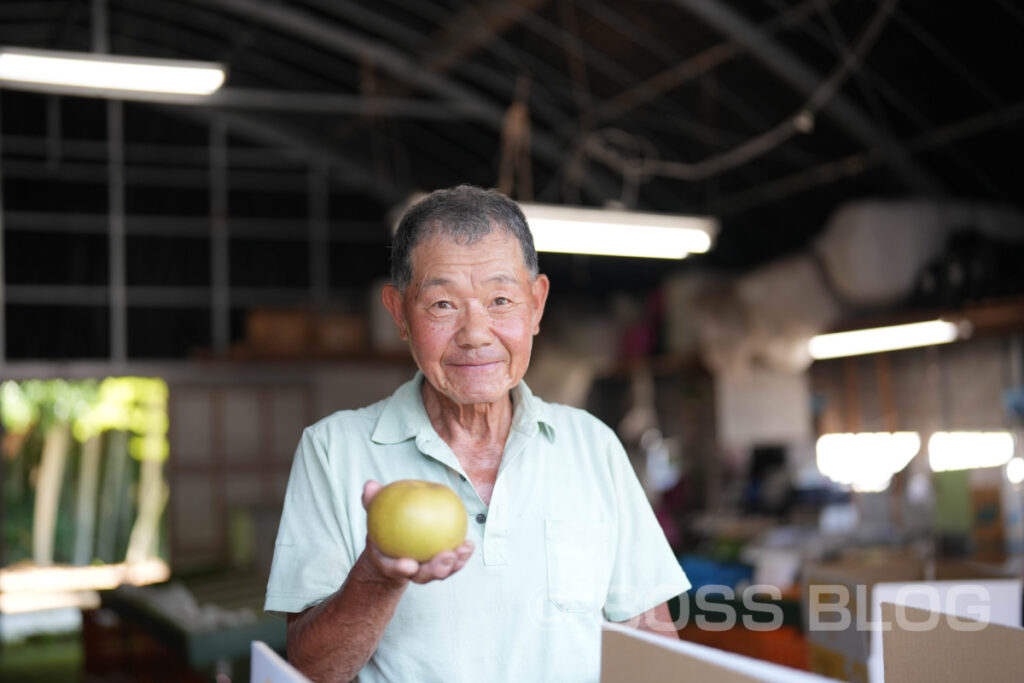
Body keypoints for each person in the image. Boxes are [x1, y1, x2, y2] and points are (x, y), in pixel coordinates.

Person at [264, 185, 690, 682]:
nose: (475, 333)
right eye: (443, 304)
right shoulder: (334, 451)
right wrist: (376, 576)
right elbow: (311, 671)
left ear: (536, 304)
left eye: (501, 299)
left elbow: (652, 636)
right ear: (399, 313)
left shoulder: (592, 445)